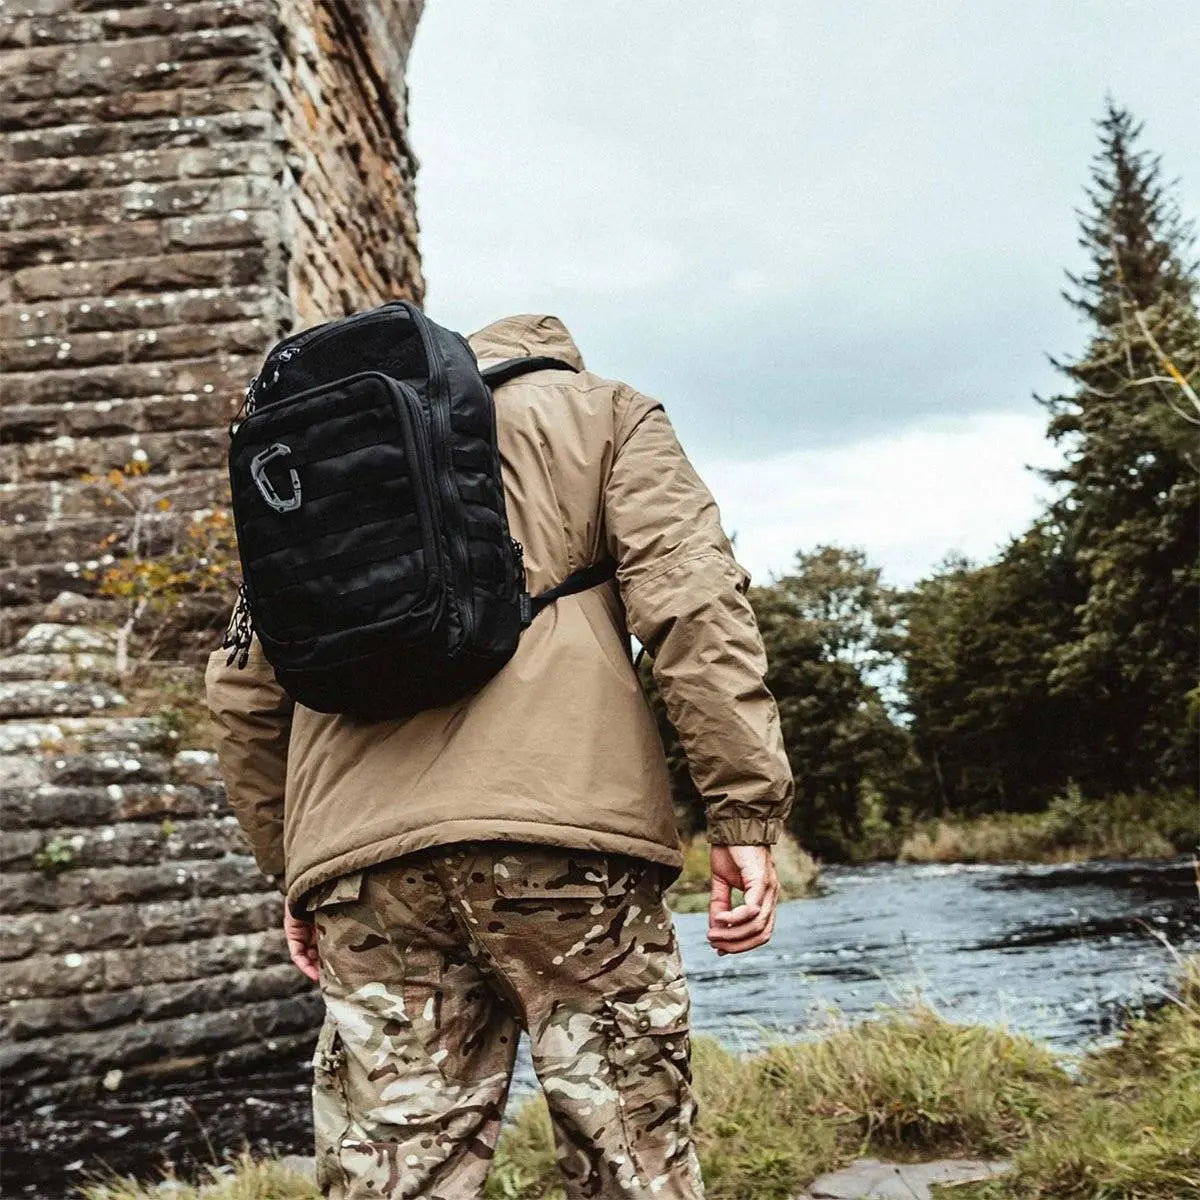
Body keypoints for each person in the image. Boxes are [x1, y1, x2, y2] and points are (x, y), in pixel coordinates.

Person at [205, 312, 793, 1199]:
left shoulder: (334, 457)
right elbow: (695, 608)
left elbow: (242, 692)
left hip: (366, 874)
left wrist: (295, 871)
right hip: (565, 845)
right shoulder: (606, 415)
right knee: (631, 1157)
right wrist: (743, 810)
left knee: (396, 1177)